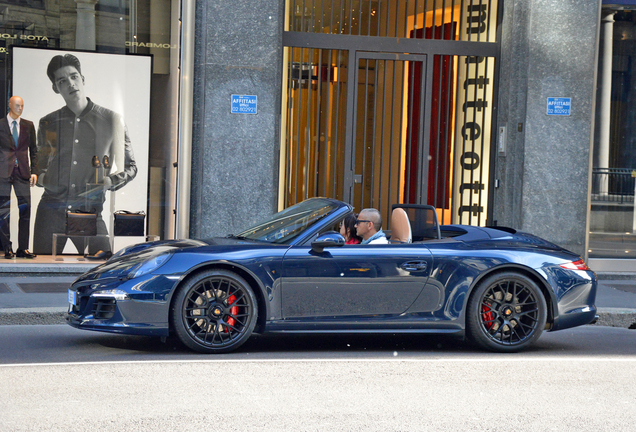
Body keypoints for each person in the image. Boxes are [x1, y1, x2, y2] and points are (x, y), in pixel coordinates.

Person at [33, 54, 137, 258]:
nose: (70, 84)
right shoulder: (48, 122)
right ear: (56, 88)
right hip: (51, 210)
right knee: (39, 274)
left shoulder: (111, 120)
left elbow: (130, 166)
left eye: (74, 76)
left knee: (102, 270)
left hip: (89, 210)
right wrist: (45, 180)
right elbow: (39, 165)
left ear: (83, 78)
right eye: (62, 81)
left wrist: (109, 181)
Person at [0, 96, 38, 259]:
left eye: (22, 105)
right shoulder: (0, 125)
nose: (20, 108)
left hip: (22, 172)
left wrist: (34, 171)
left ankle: (23, 248)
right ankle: (7, 247)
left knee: (26, 210)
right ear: (9, 105)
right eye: (17, 105)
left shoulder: (28, 125)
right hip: (3, 173)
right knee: (4, 211)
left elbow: (34, 150)